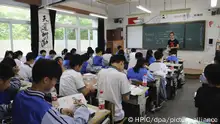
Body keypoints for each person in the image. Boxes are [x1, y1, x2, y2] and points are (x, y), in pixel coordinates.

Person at [12, 59, 90, 124]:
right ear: (46, 80)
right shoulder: (43, 109)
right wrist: (82, 108)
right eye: (55, 80)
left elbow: (33, 113)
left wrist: (59, 111)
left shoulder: (20, 95)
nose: (55, 84)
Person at [97, 55, 130, 123]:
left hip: (101, 112)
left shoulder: (101, 72)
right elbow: (126, 98)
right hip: (116, 115)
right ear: (121, 63)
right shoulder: (122, 76)